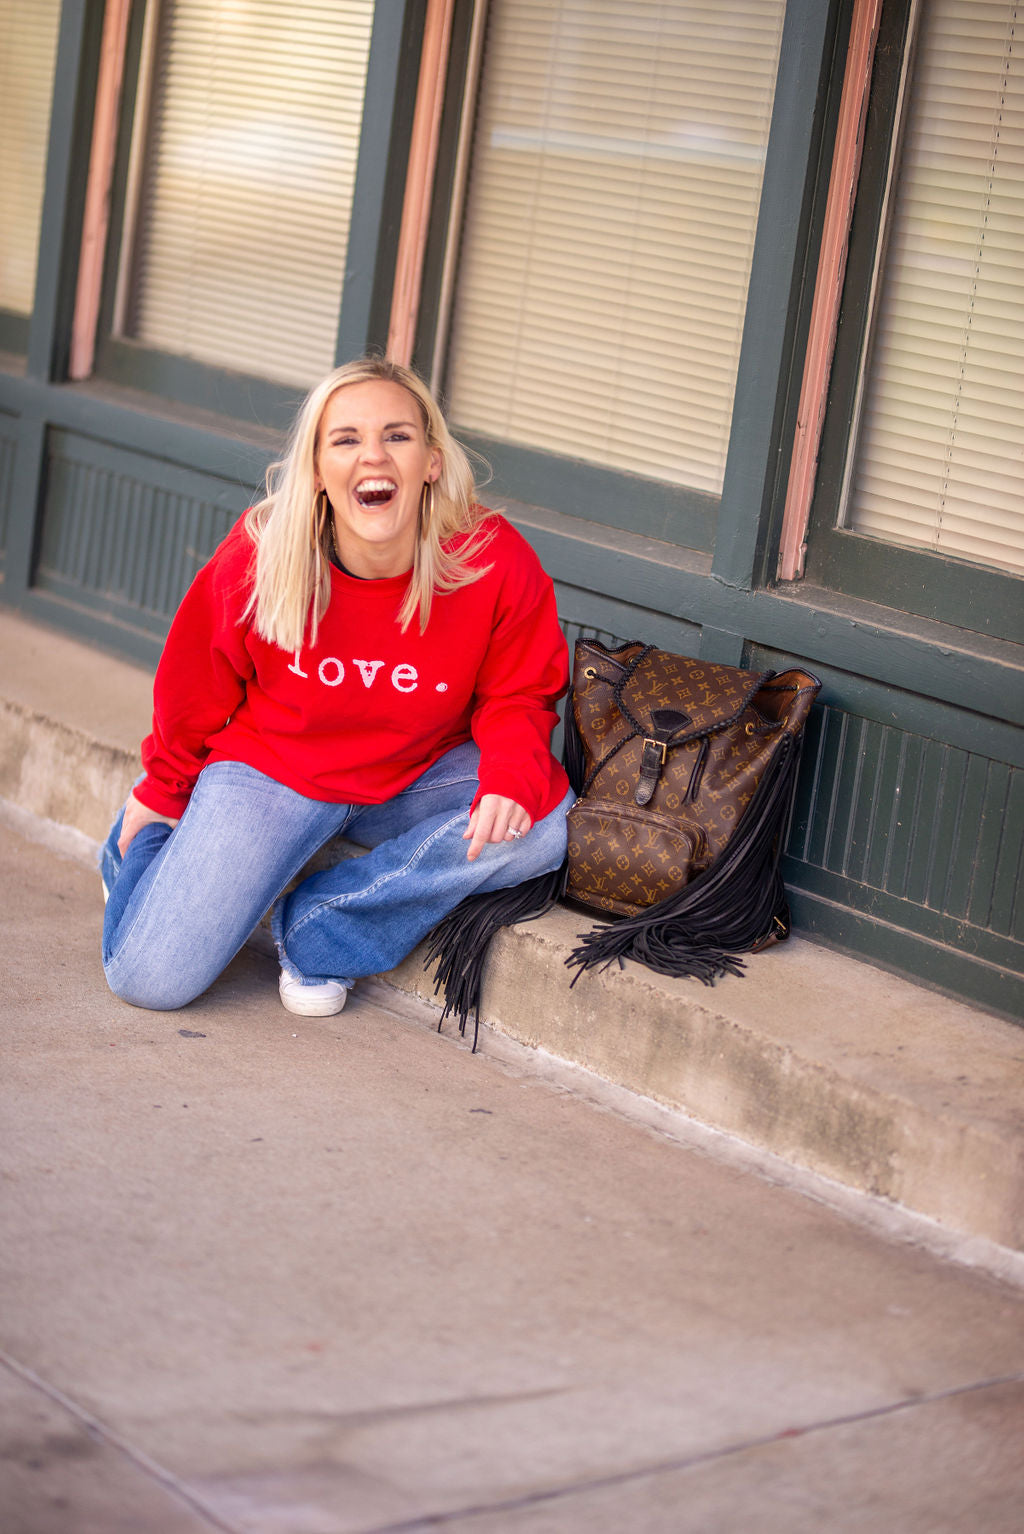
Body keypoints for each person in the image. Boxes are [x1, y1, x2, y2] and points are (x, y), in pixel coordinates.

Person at [100, 356, 572, 1018]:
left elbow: (518, 693)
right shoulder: (264, 550)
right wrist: (161, 791)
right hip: (274, 773)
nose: (372, 456)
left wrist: (509, 775)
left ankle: (321, 928)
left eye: (397, 436)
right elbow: (195, 682)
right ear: (318, 470)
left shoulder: (488, 555)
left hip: (416, 772)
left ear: (431, 462)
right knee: (149, 981)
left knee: (542, 825)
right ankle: (139, 858)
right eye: (345, 440)